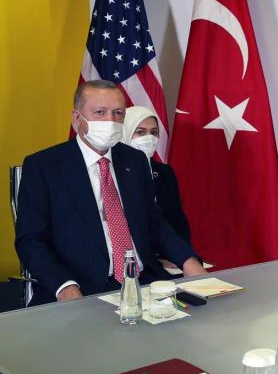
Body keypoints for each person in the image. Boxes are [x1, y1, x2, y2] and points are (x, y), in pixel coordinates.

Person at [15, 80, 207, 305]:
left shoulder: (134, 160)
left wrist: (188, 261)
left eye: (118, 113)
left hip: (144, 282)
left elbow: (154, 222)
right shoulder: (44, 166)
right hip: (80, 287)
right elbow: (31, 241)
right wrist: (64, 286)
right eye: (100, 112)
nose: (110, 121)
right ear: (77, 118)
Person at [122, 106, 191, 245]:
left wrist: (184, 253)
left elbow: (178, 220)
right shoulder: (111, 171)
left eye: (154, 132)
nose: (149, 138)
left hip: (168, 252)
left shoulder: (165, 172)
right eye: (141, 132)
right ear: (125, 132)